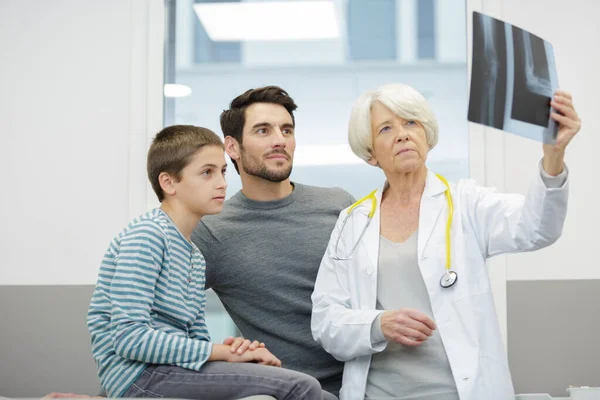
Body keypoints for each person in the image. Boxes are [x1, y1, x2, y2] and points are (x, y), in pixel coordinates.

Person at [311, 83, 580, 400]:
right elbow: (325, 321)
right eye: (386, 128)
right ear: (370, 153)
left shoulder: (467, 203)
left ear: (426, 134)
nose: (402, 134)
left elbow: (537, 228)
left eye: (411, 122)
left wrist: (553, 156)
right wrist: (377, 324)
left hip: (459, 392)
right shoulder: (353, 222)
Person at [86, 125, 325, 399]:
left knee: (322, 395)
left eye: (222, 171)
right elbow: (130, 339)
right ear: (169, 182)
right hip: (140, 377)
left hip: (170, 370)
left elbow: (195, 339)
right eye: (206, 173)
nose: (222, 183)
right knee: (301, 387)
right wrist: (222, 353)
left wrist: (234, 352)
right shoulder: (147, 236)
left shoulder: (194, 254)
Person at [191, 86, 355, 399]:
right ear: (233, 147)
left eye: (287, 130)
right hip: (288, 392)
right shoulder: (212, 230)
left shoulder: (339, 204)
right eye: (263, 130)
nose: (280, 139)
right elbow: (158, 315)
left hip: (370, 382)